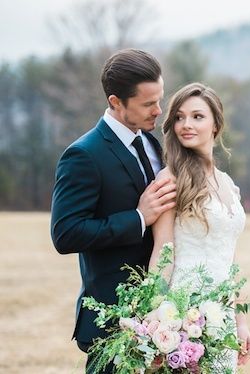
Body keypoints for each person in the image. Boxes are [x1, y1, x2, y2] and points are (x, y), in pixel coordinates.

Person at [50, 49, 176, 373]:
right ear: (116, 102)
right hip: (111, 321)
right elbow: (65, 234)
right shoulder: (83, 155)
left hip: (161, 321)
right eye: (148, 104)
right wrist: (137, 218)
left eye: (159, 99)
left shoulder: (151, 142)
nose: (159, 111)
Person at [148, 82, 250, 370]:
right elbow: (163, 249)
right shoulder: (170, 179)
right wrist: (154, 313)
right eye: (179, 117)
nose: (186, 125)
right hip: (183, 313)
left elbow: (230, 261)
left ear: (216, 125)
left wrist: (240, 321)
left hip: (223, 318)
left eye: (197, 116)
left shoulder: (229, 185)